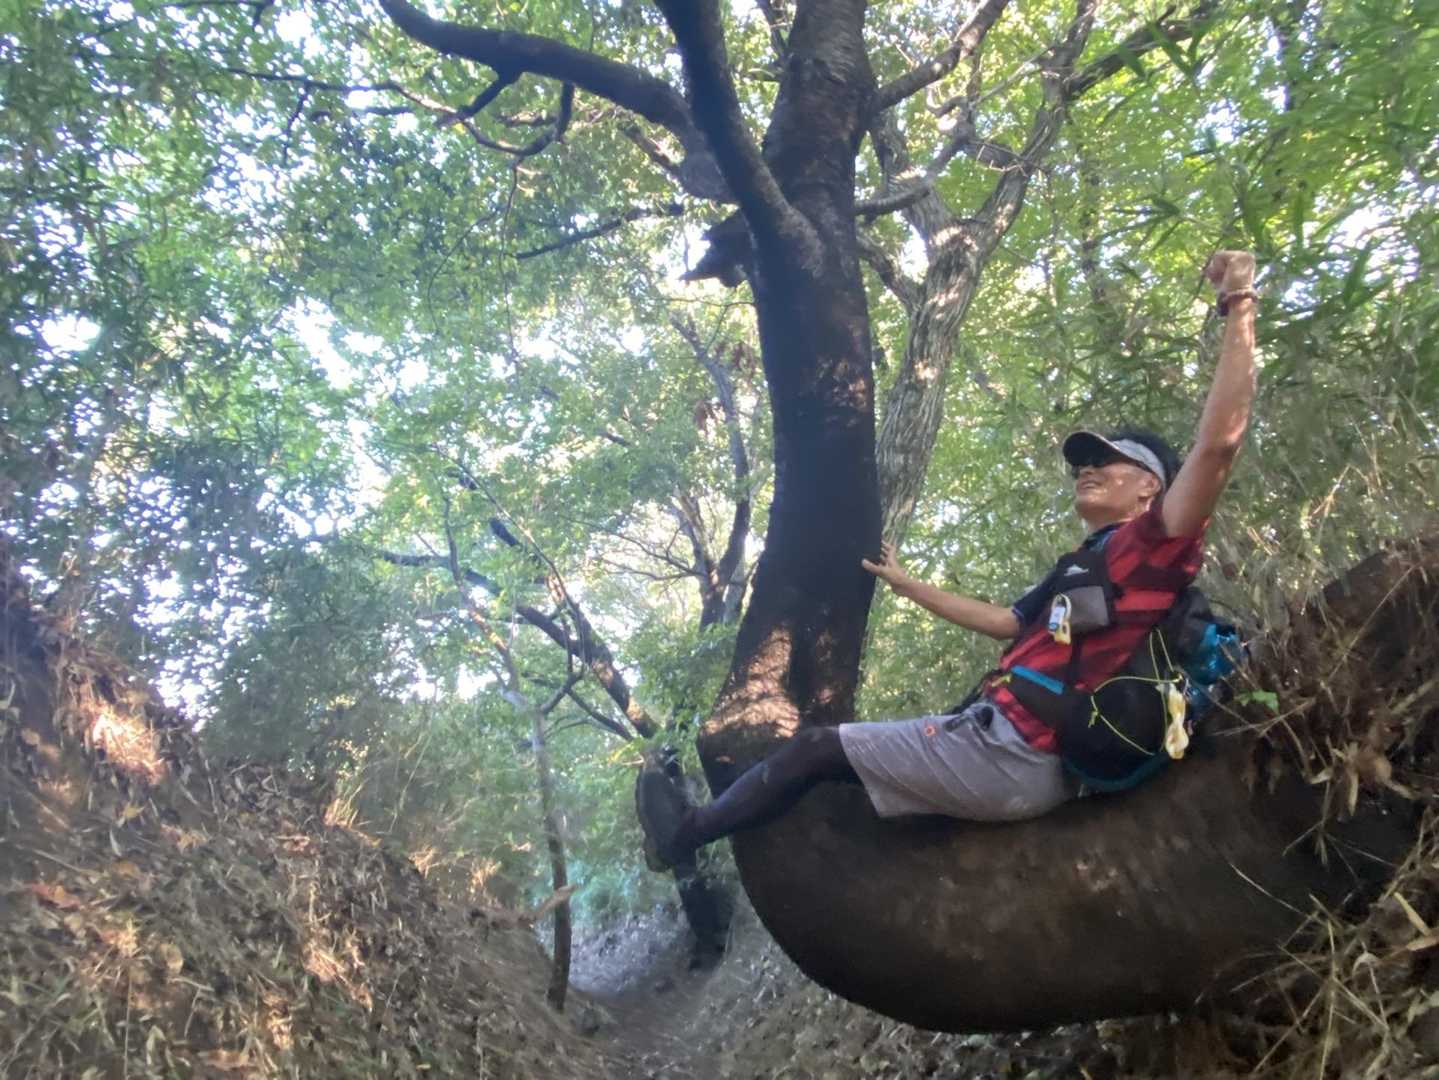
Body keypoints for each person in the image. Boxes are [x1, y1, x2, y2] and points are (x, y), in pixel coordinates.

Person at [638, 250, 1258, 870]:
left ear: (1151, 487)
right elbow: (1005, 622)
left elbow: (1218, 447)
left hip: (1018, 750)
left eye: (1108, 461)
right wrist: (905, 584)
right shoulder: (1086, 562)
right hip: (1001, 735)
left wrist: (1238, 300)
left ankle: (682, 838)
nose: (1088, 469)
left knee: (816, 749)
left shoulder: (1152, 546)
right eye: (1083, 462)